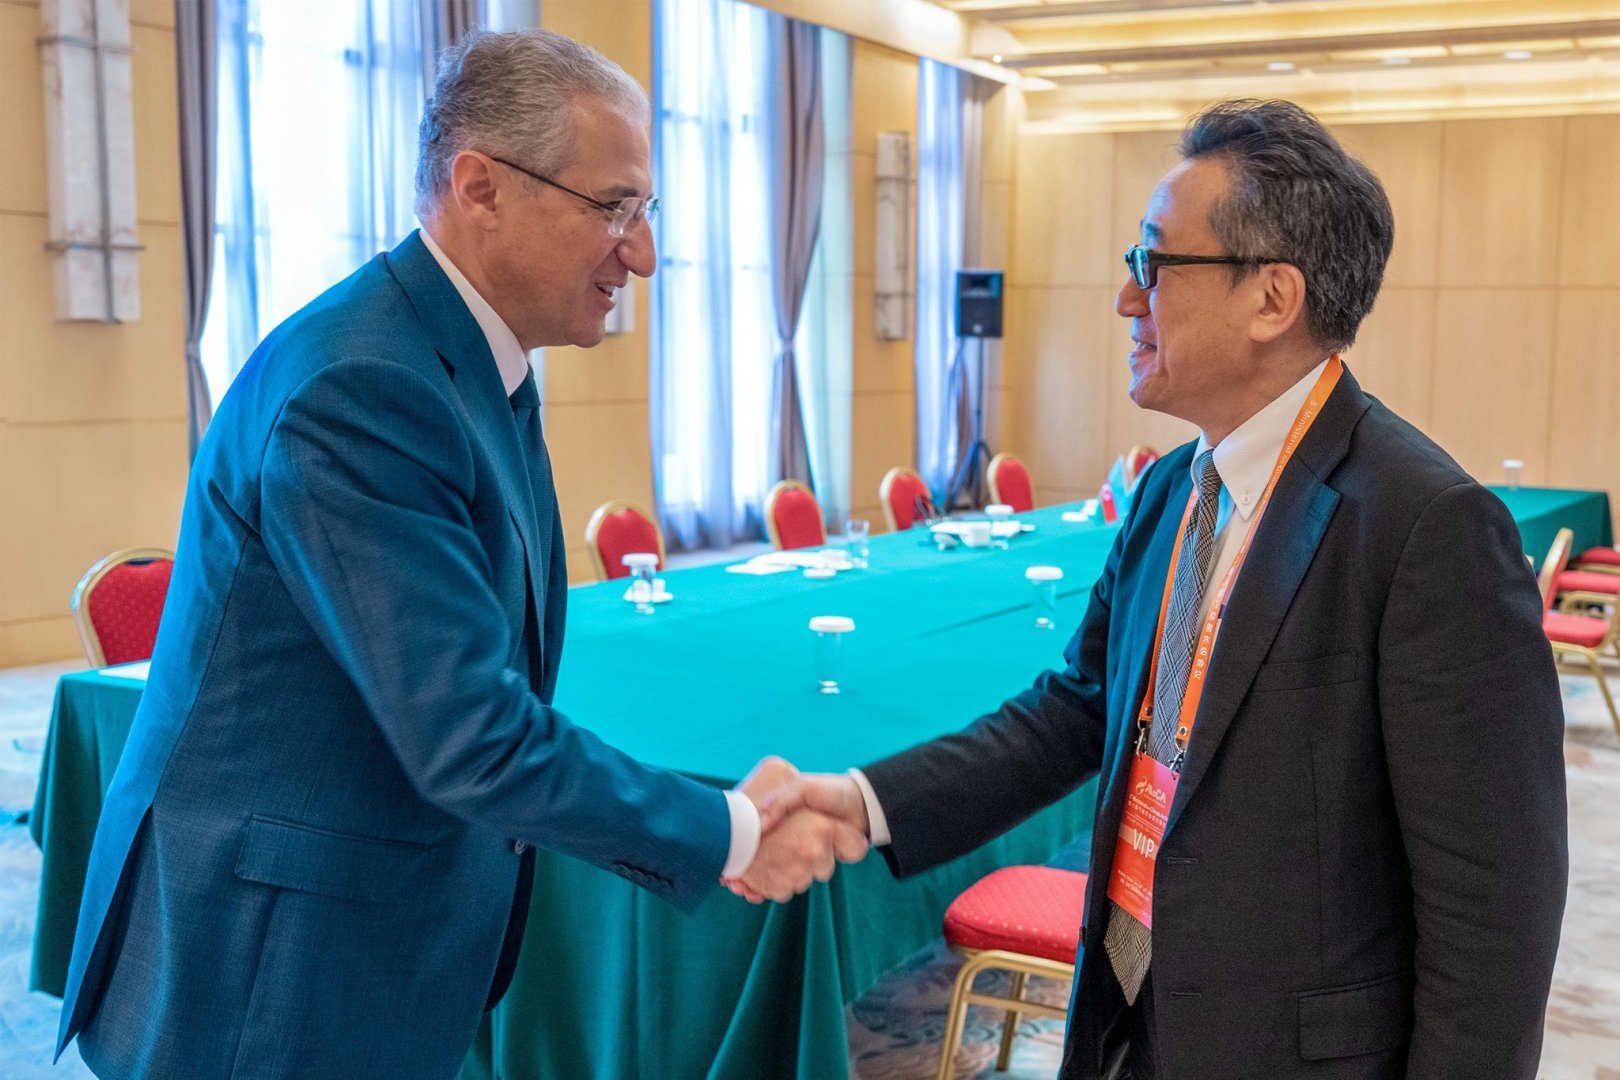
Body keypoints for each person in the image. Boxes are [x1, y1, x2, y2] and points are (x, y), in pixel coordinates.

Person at [56, 29, 860, 1080]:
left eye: (647, 210)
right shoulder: (363, 387)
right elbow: (470, 734)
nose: (643, 254)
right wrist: (729, 831)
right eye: (614, 207)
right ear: (479, 187)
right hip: (269, 969)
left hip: (358, 929)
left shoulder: (465, 360)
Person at [740, 99, 1569, 1078]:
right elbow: (1075, 712)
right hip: (1130, 1018)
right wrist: (864, 801)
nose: (1127, 299)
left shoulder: (1426, 527)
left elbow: (1493, 912)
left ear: (1273, 298)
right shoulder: (1174, 490)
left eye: (1153, 262)